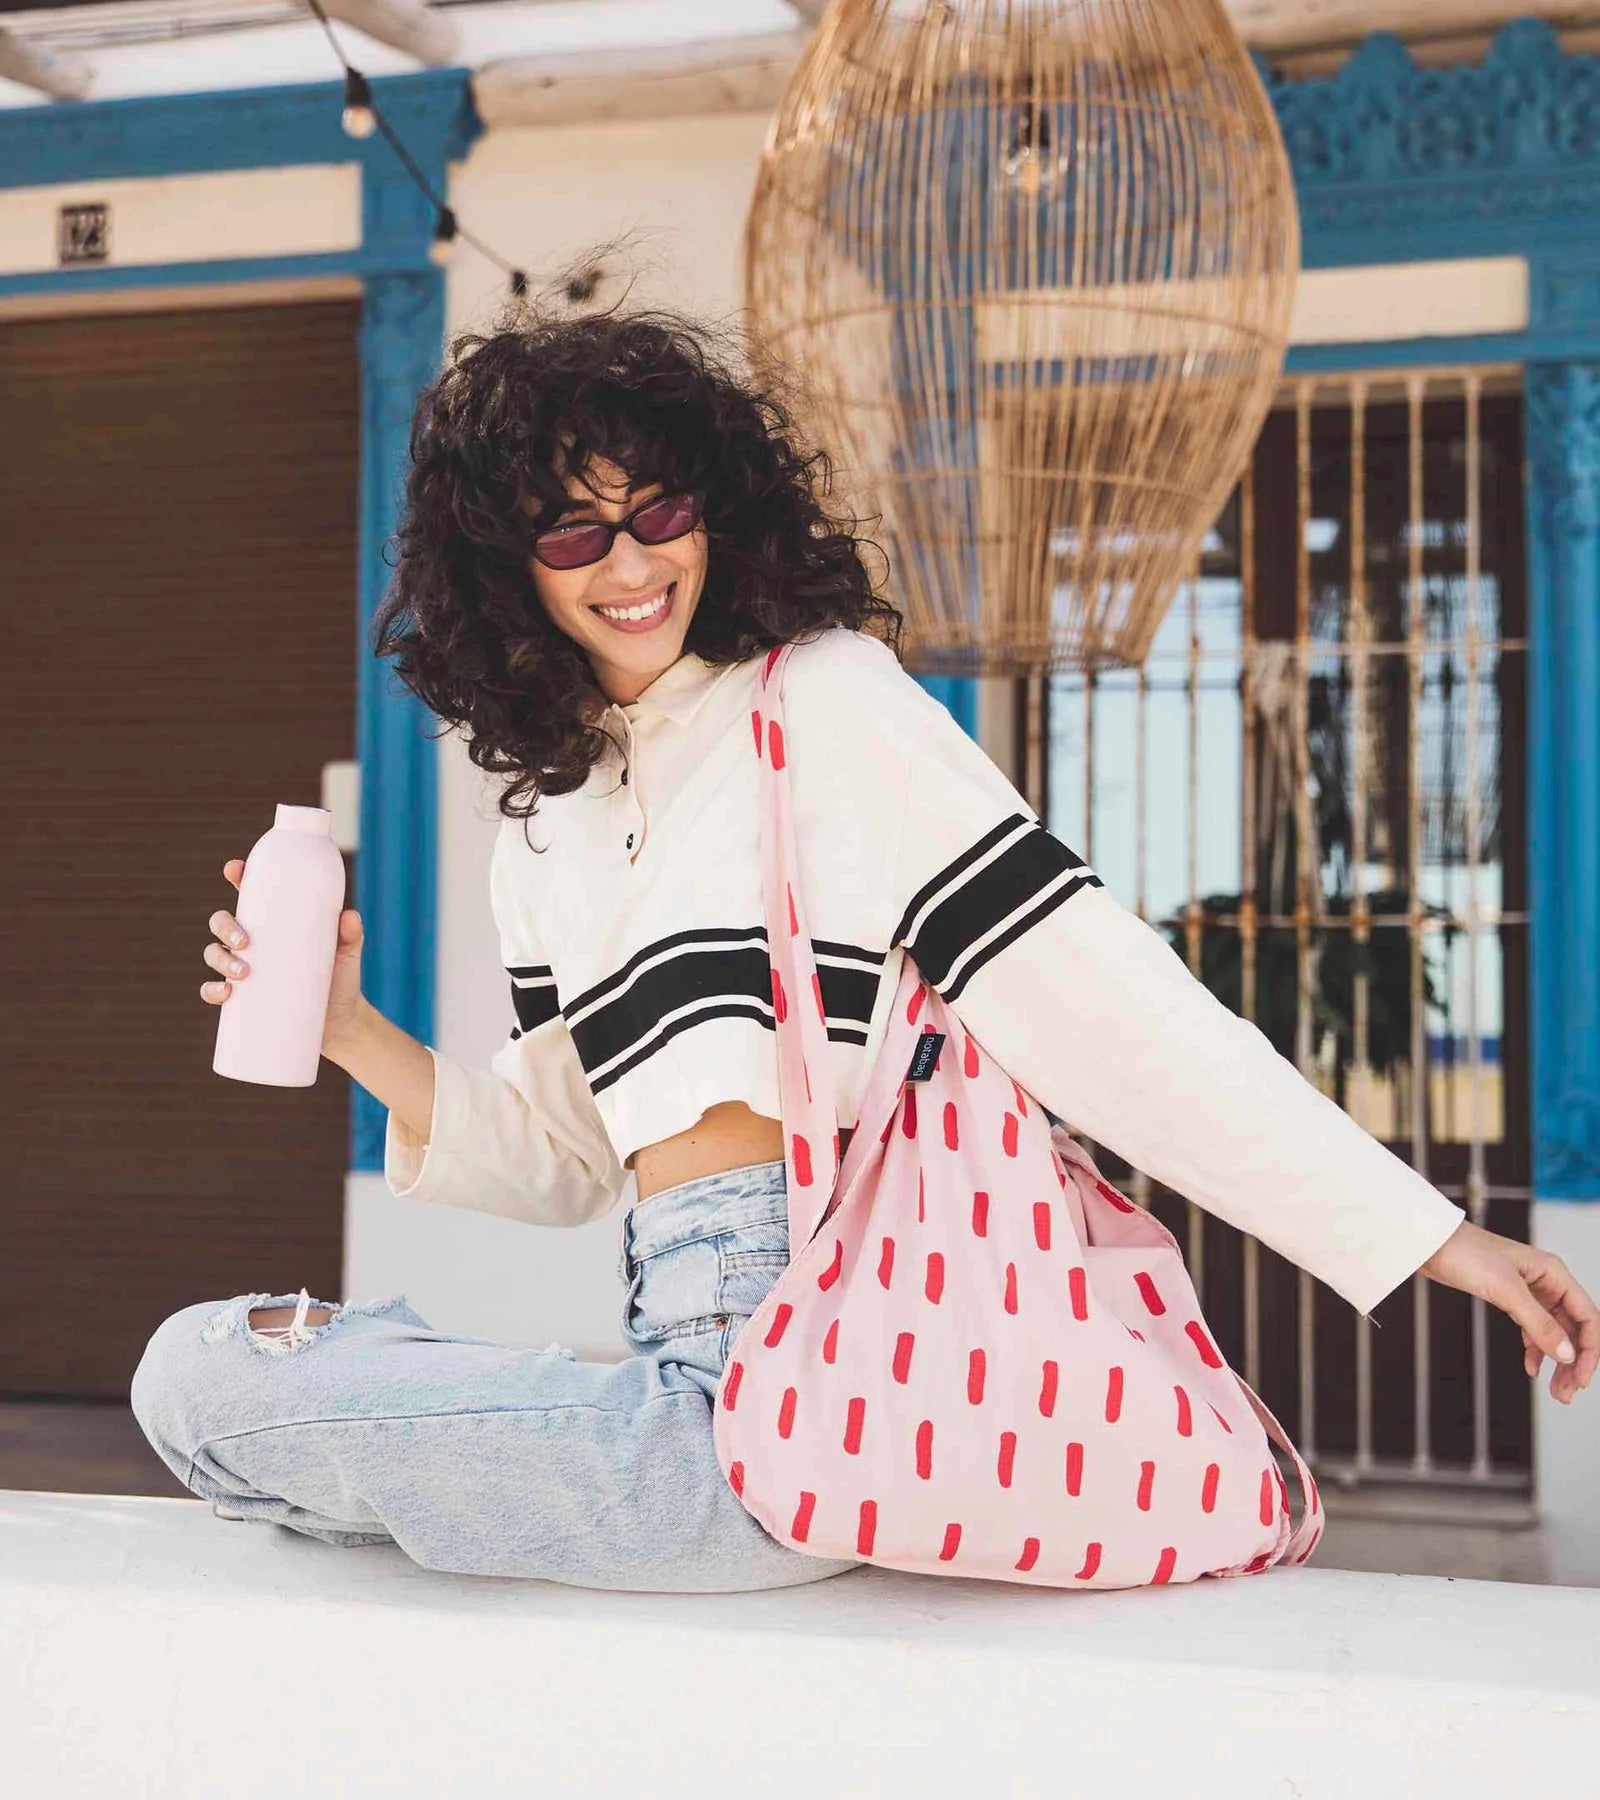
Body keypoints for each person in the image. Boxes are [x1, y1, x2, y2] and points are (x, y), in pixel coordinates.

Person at [132, 294, 1596, 1592]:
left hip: (843, 1369)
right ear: (507, 568)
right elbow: (571, 1162)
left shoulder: (821, 701)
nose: (631, 562)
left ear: (718, 509)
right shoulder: (547, 831)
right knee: (200, 1368)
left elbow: (1116, 1008)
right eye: (574, 532)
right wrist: (348, 1031)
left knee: (208, 1386)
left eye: (660, 511)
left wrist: (1431, 1238)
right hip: (675, 1368)